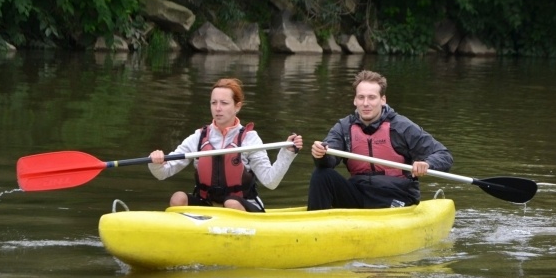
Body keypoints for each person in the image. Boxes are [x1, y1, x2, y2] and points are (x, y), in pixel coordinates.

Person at [149, 77, 303, 212]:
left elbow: (271, 182)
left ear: (237, 106)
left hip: (243, 207)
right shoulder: (199, 137)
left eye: (224, 103)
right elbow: (162, 173)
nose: (217, 108)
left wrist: (287, 152)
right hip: (208, 205)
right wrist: (156, 162)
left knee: (231, 203)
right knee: (178, 198)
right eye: (213, 103)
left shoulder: (249, 139)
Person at [308, 70, 453, 210]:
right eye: (361, 97)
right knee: (321, 175)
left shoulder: (402, 127)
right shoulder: (343, 127)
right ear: (355, 100)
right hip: (359, 193)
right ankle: (314, 227)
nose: (365, 103)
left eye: (371, 97)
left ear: (383, 100)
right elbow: (329, 160)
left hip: (395, 194)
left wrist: (427, 164)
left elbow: (444, 155)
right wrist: (321, 154)